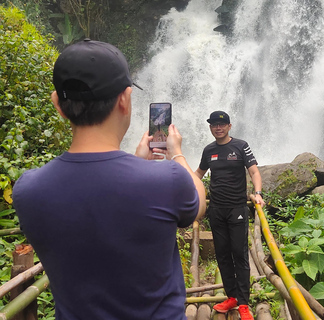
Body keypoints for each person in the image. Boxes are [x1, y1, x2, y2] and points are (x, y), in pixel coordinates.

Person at [12, 39, 206, 320]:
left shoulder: (28, 190)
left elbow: (97, 200)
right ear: (125, 100)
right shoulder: (167, 179)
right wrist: (177, 154)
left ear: (58, 104)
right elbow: (198, 203)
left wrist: (137, 163)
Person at [195, 111, 265, 320]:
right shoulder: (209, 151)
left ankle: (244, 302)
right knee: (223, 255)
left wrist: (258, 193)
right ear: (210, 128)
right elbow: (198, 174)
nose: (218, 128)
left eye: (221, 124)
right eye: (214, 125)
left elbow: (254, 171)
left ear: (229, 126)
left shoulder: (241, 146)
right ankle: (232, 297)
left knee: (239, 254)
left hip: (237, 209)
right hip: (216, 210)